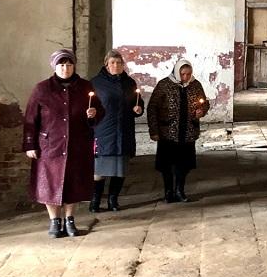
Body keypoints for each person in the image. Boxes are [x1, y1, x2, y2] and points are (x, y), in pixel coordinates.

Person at [24, 49, 103, 238]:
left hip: (77, 143)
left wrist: (93, 114)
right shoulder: (42, 89)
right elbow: (30, 118)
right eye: (61, 65)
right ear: (54, 66)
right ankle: (54, 221)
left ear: (74, 66)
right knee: (50, 183)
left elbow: (99, 110)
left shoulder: (85, 87)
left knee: (73, 182)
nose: (65, 68)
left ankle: (69, 219)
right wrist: (30, 144)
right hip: (50, 145)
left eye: (69, 65)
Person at [147, 58, 210, 203]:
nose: (185, 77)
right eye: (182, 74)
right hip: (168, 132)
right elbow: (152, 108)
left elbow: (204, 103)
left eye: (188, 74)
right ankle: (169, 191)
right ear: (177, 72)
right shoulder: (164, 84)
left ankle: (179, 190)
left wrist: (202, 110)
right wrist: (154, 130)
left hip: (187, 131)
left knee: (184, 164)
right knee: (167, 164)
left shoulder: (195, 85)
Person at [90, 50, 144, 212]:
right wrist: (90, 113)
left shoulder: (129, 83)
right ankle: (95, 200)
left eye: (119, 63)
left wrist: (138, 109)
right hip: (103, 131)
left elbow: (137, 101)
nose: (116, 65)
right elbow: (88, 104)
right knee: (99, 170)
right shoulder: (96, 83)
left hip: (124, 130)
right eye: (112, 62)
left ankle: (113, 199)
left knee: (120, 169)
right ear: (106, 65)